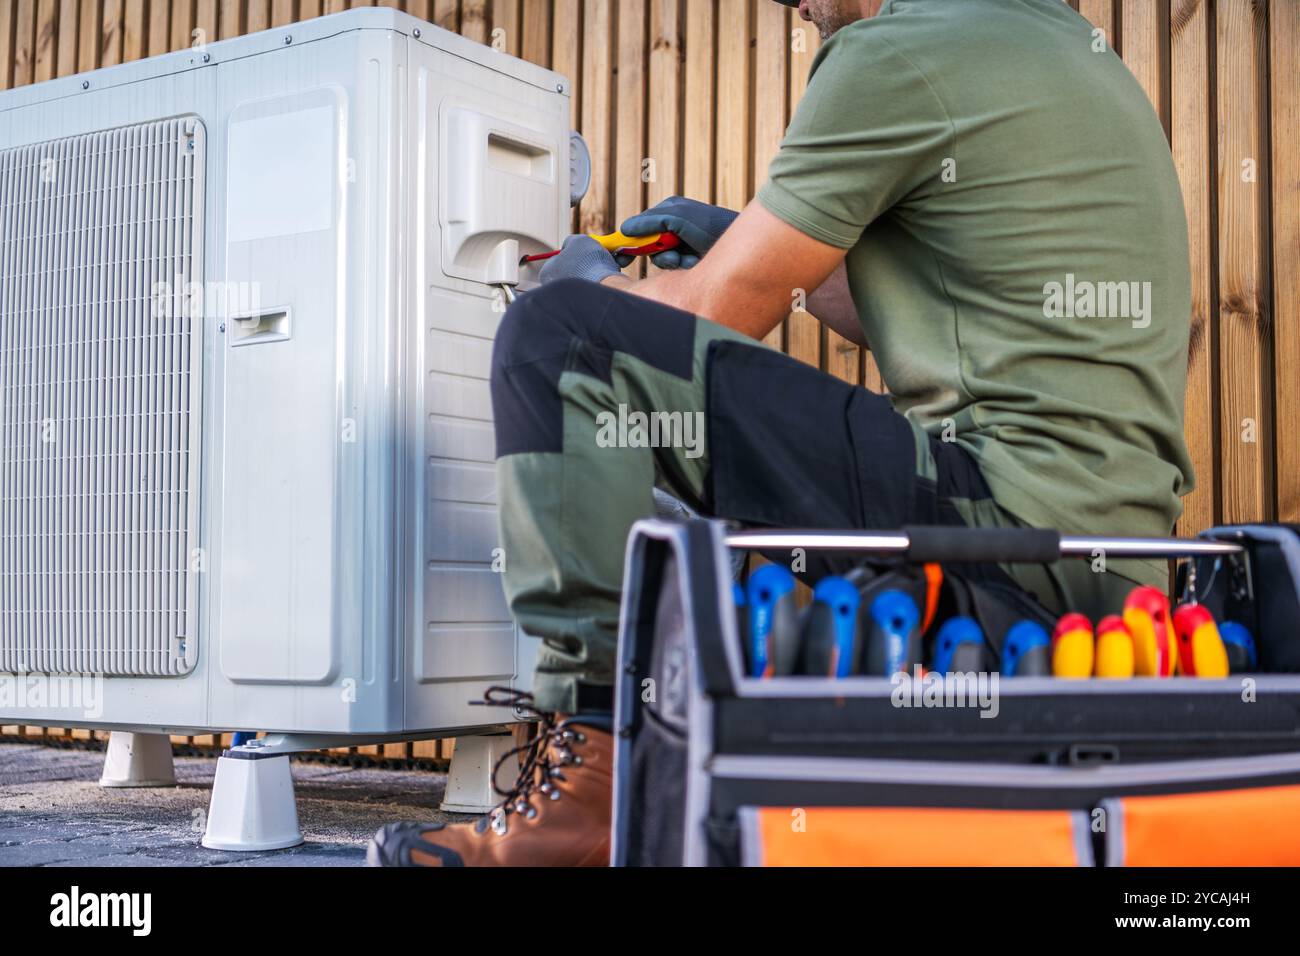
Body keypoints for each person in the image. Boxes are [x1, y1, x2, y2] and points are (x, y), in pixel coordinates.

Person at [367, 0, 1193, 867]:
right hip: (1122, 577)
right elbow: (947, 301)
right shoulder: (1043, 38)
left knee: (563, 343)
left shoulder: (891, 53)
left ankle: (597, 788)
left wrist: (591, 286)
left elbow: (712, 310)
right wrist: (735, 241)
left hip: (999, 530)